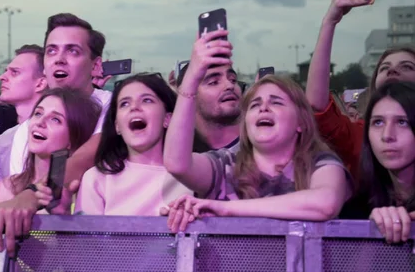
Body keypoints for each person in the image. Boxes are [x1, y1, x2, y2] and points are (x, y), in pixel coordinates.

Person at [0, 13, 112, 255]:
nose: (59, 60)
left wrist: (31, 195)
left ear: (96, 66)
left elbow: (80, 161)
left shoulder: (112, 107)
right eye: (52, 51)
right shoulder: (22, 133)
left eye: (73, 51)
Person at [164, 76, 351, 232]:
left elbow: (326, 203)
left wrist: (224, 208)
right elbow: (176, 163)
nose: (263, 108)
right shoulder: (226, 164)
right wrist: (192, 78)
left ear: (301, 122)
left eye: (276, 102)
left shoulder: (320, 161)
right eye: (254, 105)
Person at [305, 0, 415, 179]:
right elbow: (317, 106)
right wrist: (330, 21)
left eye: (406, 67)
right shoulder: (361, 136)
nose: (392, 70)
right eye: (384, 68)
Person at [0, 88, 100, 232]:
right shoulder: (10, 185)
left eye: (55, 119)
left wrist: (63, 220)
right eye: (38, 113)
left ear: (73, 137)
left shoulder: (84, 188)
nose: (40, 122)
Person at [62, 73, 190, 215]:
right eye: (125, 103)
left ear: (167, 119)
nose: (134, 107)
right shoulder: (97, 178)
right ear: (117, 126)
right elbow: (85, 236)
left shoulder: (192, 174)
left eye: (147, 100)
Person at [341, 82, 415, 243]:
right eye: (378, 122)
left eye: (402, 122)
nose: (387, 135)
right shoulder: (357, 206)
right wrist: (370, 232)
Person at [175, 29, 243, 153]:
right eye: (214, 82)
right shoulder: (180, 153)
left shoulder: (262, 143)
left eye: (233, 79)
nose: (229, 85)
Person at [0, 45, 48, 189]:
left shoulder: (59, 134)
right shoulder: (3, 142)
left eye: (14, 72)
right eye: (5, 71)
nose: (2, 77)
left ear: (40, 83)